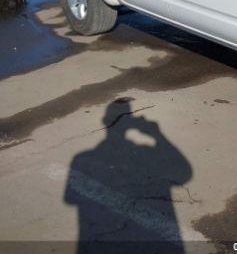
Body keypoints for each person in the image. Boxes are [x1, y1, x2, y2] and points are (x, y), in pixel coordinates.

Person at [64, 98, 192, 253]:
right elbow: (184, 173)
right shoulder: (146, 153)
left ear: (105, 121)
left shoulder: (82, 157)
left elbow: (70, 198)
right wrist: (157, 134)